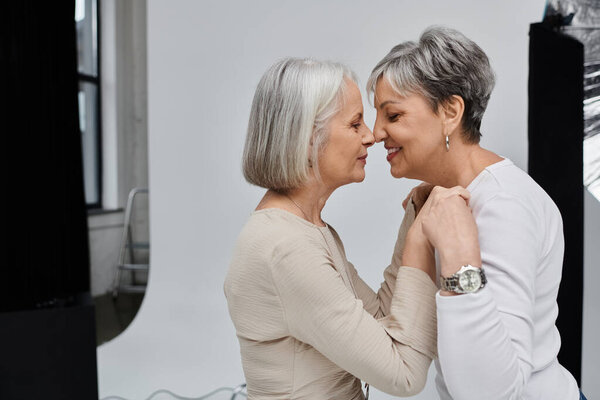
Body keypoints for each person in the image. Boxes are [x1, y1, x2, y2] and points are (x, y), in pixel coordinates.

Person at [367, 26, 583, 400]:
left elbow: (493, 393)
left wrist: (458, 257)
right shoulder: (443, 200)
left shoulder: (503, 206)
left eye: (393, 115)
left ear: (450, 111)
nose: (375, 132)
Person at [224, 58, 438, 399]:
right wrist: (421, 240)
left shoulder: (310, 230)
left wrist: (415, 216)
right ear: (308, 138)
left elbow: (382, 319)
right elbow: (404, 374)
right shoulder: (286, 250)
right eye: (355, 124)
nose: (370, 137)